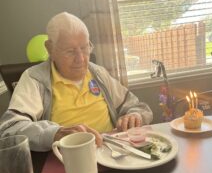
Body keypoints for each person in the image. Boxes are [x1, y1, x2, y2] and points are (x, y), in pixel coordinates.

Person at [0, 12, 153, 151]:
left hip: (112, 151)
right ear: (50, 49)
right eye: (70, 51)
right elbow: (9, 129)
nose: (80, 59)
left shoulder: (97, 73)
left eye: (85, 48)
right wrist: (54, 133)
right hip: (67, 157)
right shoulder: (34, 79)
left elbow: (137, 106)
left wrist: (135, 116)